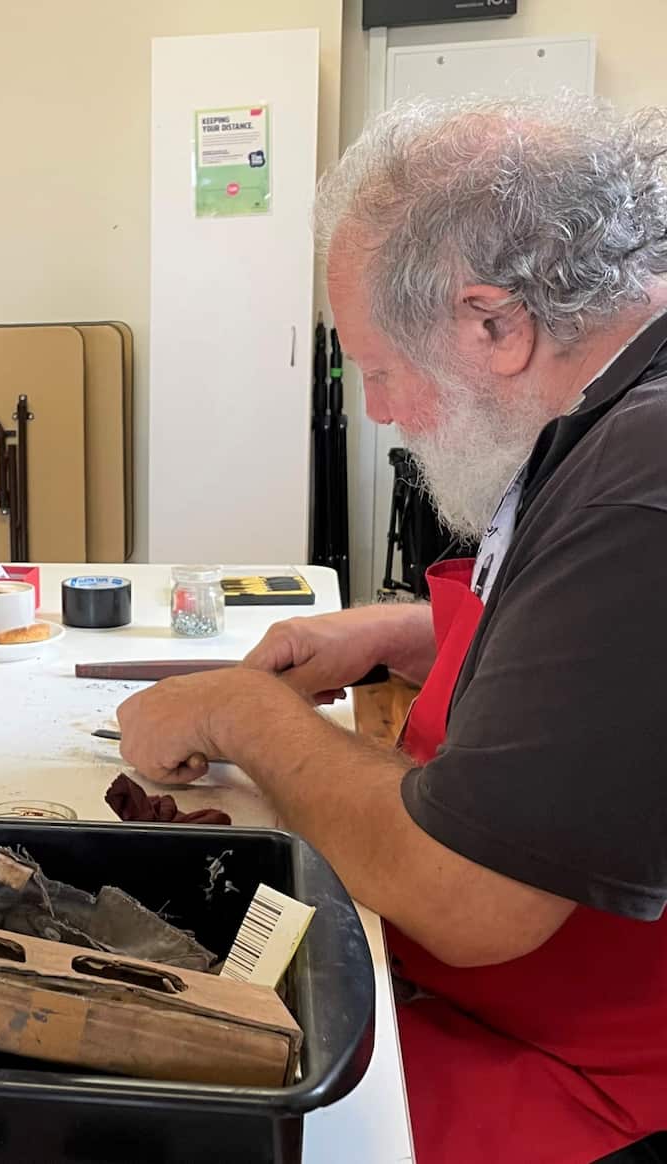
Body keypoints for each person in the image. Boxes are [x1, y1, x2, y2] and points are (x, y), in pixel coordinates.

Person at [117, 95, 667, 1164]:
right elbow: (609, 659)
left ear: (492, 324)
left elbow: (467, 899)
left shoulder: (639, 484)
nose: (376, 412)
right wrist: (409, 634)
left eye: (376, 368)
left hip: (587, 1078)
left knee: (163, 1115)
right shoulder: (618, 406)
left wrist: (240, 715)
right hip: (511, 1013)